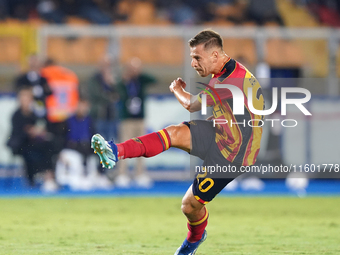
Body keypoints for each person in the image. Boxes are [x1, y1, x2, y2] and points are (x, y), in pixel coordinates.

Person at [91, 29, 264, 255]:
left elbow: (191, 104)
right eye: (192, 57)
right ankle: (116, 151)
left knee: (189, 206)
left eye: (197, 58)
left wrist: (176, 89)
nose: (193, 63)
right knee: (173, 133)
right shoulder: (228, 68)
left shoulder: (229, 80)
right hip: (221, 132)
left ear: (214, 56)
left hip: (233, 155)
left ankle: (193, 242)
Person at [115, 57, 156, 188]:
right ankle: (122, 174)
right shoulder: (123, 82)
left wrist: (139, 74)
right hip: (127, 119)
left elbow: (153, 79)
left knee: (142, 146)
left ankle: (139, 174)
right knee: (124, 146)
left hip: (139, 118)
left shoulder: (141, 80)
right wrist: (125, 79)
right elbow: (116, 90)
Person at [7, 87, 58, 192]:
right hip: (22, 144)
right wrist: (29, 131)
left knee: (49, 146)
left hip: (37, 142)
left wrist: (39, 131)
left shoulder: (36, 113)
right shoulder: (16, 115)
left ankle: (49, 176)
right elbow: (17, 133)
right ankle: (33, 179)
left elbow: (44, 124)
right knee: (29, 151)